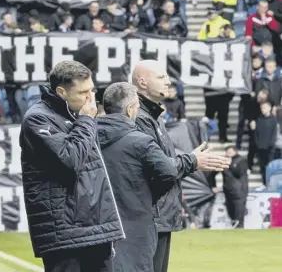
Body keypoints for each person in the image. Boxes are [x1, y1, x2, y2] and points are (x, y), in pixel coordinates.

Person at [20, 61, 124, 272]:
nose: (91, 98)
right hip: (65, 231)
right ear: (61, 92)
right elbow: (71, 158)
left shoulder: (77, 116)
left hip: (95, 225)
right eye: (83, 92)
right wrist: (86, 119)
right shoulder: (37, 119)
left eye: (92, 90)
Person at [132, 60, 232, 272]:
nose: (168, 81)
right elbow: (159, 168)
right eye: (161, 77)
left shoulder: (153, 116)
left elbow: (163, 162)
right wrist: (193, 161)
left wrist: (193, 160)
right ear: (142, 82)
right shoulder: (140, 118)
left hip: (159, 214)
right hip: (149, 215)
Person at [98, 82, 181, 272]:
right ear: (129, 110)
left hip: (99, 224)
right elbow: (168, 171)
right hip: (136, 222)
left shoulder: (86, 136)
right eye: (136, 106)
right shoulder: (140, 141)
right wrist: (149, 194)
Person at [210, 145, 249, 228]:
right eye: (227, 152)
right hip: (228, 191)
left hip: (239, 192)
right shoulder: (223, 161)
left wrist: (230, 163)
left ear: (235, 152)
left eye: (230, 152)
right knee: (230, 213)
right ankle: (234, 229)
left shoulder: (241, 161)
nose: (228, 154)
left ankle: (240, 229)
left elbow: (239, 173)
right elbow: (213, 173)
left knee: (239, 214)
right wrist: (214, 186)